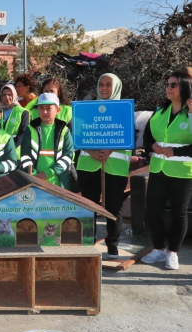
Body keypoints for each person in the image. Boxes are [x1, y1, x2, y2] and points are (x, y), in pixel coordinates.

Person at [141, 70, 192, 270]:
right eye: (168, 84)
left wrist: (175, 150)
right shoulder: (159, 110)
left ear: (185, 87)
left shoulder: (191, 112)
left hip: (182, 172)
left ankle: (173, 252)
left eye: (173, 85)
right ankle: (159, 248)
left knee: (179, 213)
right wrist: (151, 146)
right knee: (153, 210)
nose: (168, 88)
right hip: (158, 169)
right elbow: (147, 137)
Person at [77, 73, 131, 259]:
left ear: (116, 86)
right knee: (88, 206)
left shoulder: (124, 109)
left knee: (113, 208)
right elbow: (80, 133)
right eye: (101, 84)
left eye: (109, 84)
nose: (105, 88)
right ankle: (88, 243)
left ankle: (112, 245)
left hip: (115, 167)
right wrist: (92, 152)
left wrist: (109, 150)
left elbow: (126, 135)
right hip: (88, 165)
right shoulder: (88, 109)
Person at [20, 93, 74, 189]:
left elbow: (68, 156)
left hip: (59, 184)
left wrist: (46, 174)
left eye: (48, 108)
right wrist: (33, 174)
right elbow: (25, 155)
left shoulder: (64, 131)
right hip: (35, 182)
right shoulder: (30, 129)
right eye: (41, 108)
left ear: (57, 110)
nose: (44, 112)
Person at [0, 84, 30, 155]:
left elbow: (23, 133)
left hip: (15, 152)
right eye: (4, 95)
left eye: (10, 94)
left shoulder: (23, 112)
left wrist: (10, 147)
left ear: (14, 95)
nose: (7, 97)